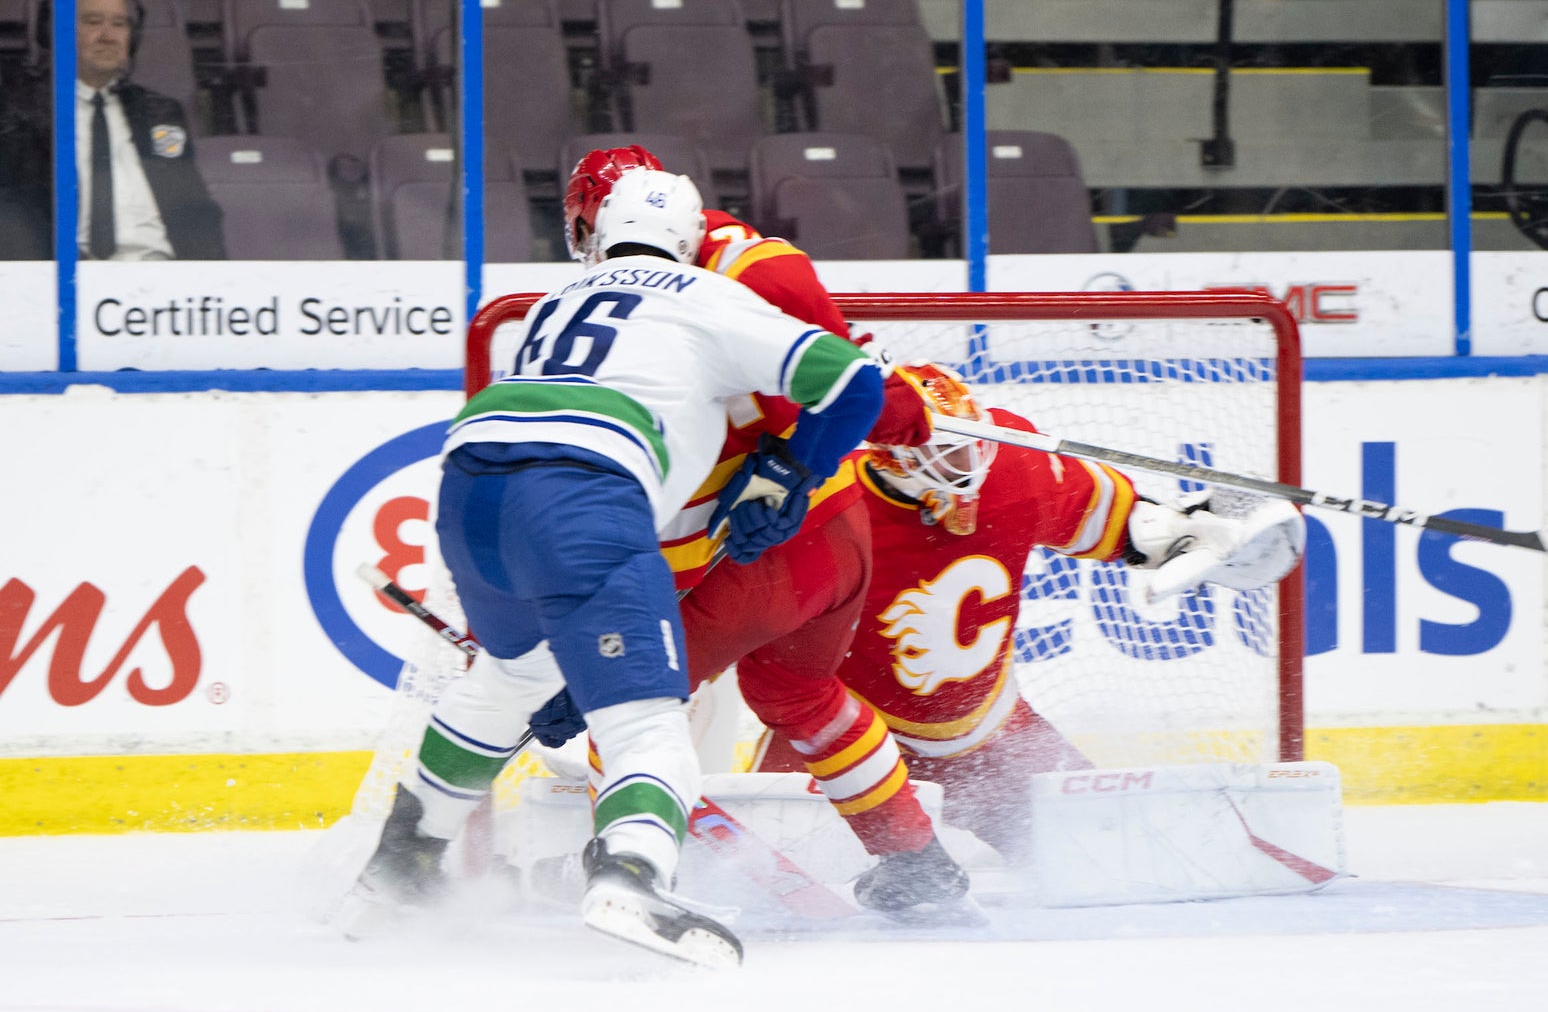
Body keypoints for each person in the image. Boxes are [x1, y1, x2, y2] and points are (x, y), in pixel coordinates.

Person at [346, 162, 888, 968]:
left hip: (470, 486)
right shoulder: (711, 296)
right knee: (646, 724)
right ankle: (632, 870)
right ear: (693, 238)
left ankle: (398, 866)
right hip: (583, 492)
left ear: (596, 232)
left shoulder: (553, 304)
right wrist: (787, 470)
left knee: (512, 679)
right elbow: (854, 383)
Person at [527, 146, 972, 915]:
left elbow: (845, 395)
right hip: (834, 543)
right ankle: (917, 858)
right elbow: (858, 393)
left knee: (625, 712)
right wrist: (891, 420)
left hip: (758, 554)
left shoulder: (728, 279)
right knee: (797, 689)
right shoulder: (740, 266)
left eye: (588, 223)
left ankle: (637, 876)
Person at [755, 364, 1306, 864]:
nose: (968, 468)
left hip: (989, 740)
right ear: (891, 456)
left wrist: (1189, 531)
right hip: (843, 738)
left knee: (1118, 857)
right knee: (755, 865)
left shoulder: (1015, 461)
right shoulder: (827, 502)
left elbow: (1123, 525)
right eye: (944, 454)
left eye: (971, 446)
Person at [0, 0, 224, 262]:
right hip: (65, 282)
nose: (108, 35)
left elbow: (197, 214)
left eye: (119, 24)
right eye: (93, 21)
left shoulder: (161, 113)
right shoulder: (17, 110)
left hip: (162, 282)